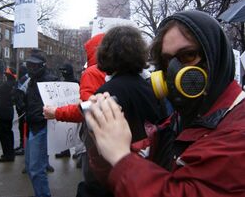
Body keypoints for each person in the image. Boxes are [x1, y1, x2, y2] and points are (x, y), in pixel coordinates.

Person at [85, 10, 245, 197]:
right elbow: (123, 176)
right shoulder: (182, 119)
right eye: (168, 60)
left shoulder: (237, 131)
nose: (175, 70)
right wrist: (103, 144)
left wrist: (121, 157)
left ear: (215, 57)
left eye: (188, 55)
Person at [85, 26, 167, 194]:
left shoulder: (105, 93)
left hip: (120, 176)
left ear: (106, 53)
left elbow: (97, 149)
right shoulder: (149, 87)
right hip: (149, 172)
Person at [43, 33, 106, 196]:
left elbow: (87, 109)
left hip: (97, 141)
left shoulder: (92, 72)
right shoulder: (127, 72)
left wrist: (56, 112)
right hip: (120, 142)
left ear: (94, 51)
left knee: (93, 184)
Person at [25, 49, 58, 197]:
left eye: (34, 65)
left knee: (36, 170)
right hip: (32, 127)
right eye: (29, 65)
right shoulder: (30, 82)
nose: (31, 68)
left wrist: (41, 114)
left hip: (42, 127)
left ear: (42, 66)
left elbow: (57, 103)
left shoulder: (50, 80)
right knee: (33, 168)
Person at [54, 63, 80, 159]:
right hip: (65, 109)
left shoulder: (76, 83)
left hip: (74, 109)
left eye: (64, 71)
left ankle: (78, 152)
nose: (63, 73)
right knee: (64, 131)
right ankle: (65, 151)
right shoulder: (62, 83)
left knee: (77, 132)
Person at [14, 64, 29, 156]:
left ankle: (24, 146)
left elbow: (21, 94)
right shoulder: (21, 80)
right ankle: (22, 145)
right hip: (21, 108)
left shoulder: (24, 80)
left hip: (24, 109)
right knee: (21, 128)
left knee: (24, 129)